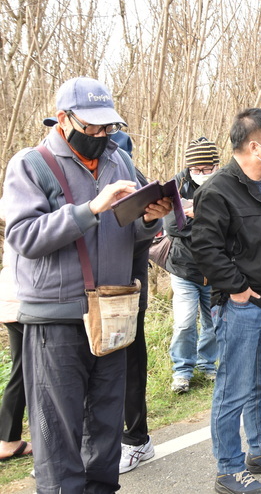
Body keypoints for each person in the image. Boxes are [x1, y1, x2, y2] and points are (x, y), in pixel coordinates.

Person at [3, 76, 169, 492]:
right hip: (55, 319)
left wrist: (149, 219)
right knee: (58, 432)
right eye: (92, 126)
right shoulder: (31, 163)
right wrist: (90, 208)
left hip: (112, 312)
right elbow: (23, 236)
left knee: (106, 423)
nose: (101, 134)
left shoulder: (120, 160)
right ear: (63, 119)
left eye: (107, 126)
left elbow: (128, 235)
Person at [190, 108, 261, 494]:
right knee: (233, 387)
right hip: (243, 303)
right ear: (254, 145)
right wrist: (236, 287)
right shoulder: (218, 189)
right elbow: (205, 249)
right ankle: (228, 467)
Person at [113, 131, 158, 474]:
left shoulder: (132, 179)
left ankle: (136, 439)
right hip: (88, 296)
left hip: (127, 294)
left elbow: (145, 234)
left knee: (130, 368)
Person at [166, 137, 220, 393]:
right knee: (185, 322)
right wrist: (204, 223)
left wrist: (193, 217)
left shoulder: (226, 184)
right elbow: (170, 226)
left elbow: (228, 227)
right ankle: (182, 371)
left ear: (216, 166)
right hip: (183, 268)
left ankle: (207, 365)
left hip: (216, 270)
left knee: (213, 322)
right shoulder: (176, 185)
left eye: (206, 170)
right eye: (195, 170)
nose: (200, 175)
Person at [0, 203, 32, 463]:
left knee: (20, 372)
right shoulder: (26, 218)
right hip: (23, 304)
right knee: (25, 372)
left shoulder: (14, 215)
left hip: (13, 302)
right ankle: (8, 441)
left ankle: (9, 439)